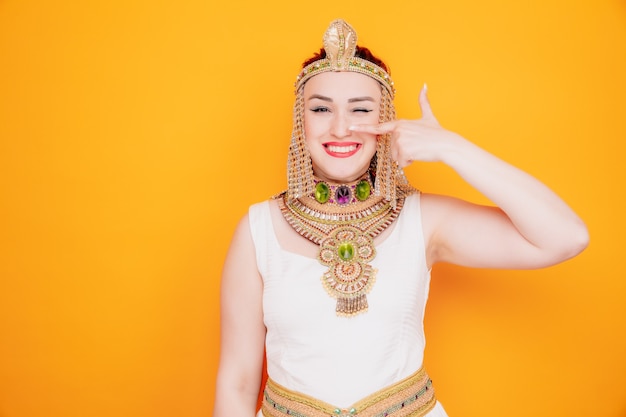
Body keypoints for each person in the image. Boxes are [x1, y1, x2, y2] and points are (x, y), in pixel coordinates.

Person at [213, 19, 588, 417]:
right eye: (321, 108)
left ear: (386, 121)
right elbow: (237, 382)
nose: (341, 127)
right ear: (299, 121)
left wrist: (451, 147)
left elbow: (565, 237)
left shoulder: (422, 220)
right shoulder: (257, 229)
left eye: (361, 110)